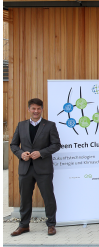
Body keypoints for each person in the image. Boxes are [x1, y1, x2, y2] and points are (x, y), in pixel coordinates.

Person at [10, 98, 61, 236]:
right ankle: (23, 225)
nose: (36, 111)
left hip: (43, 169)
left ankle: (51, 225)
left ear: (42, 109)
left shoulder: (50, 125)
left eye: (38, 108)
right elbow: (13, 145)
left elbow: (56, 144)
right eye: (33, 108)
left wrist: (41, 153)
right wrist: (21, 154)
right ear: (29, 109)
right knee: (25, 198)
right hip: (25, 168)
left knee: (48, 197)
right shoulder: (21, 125)